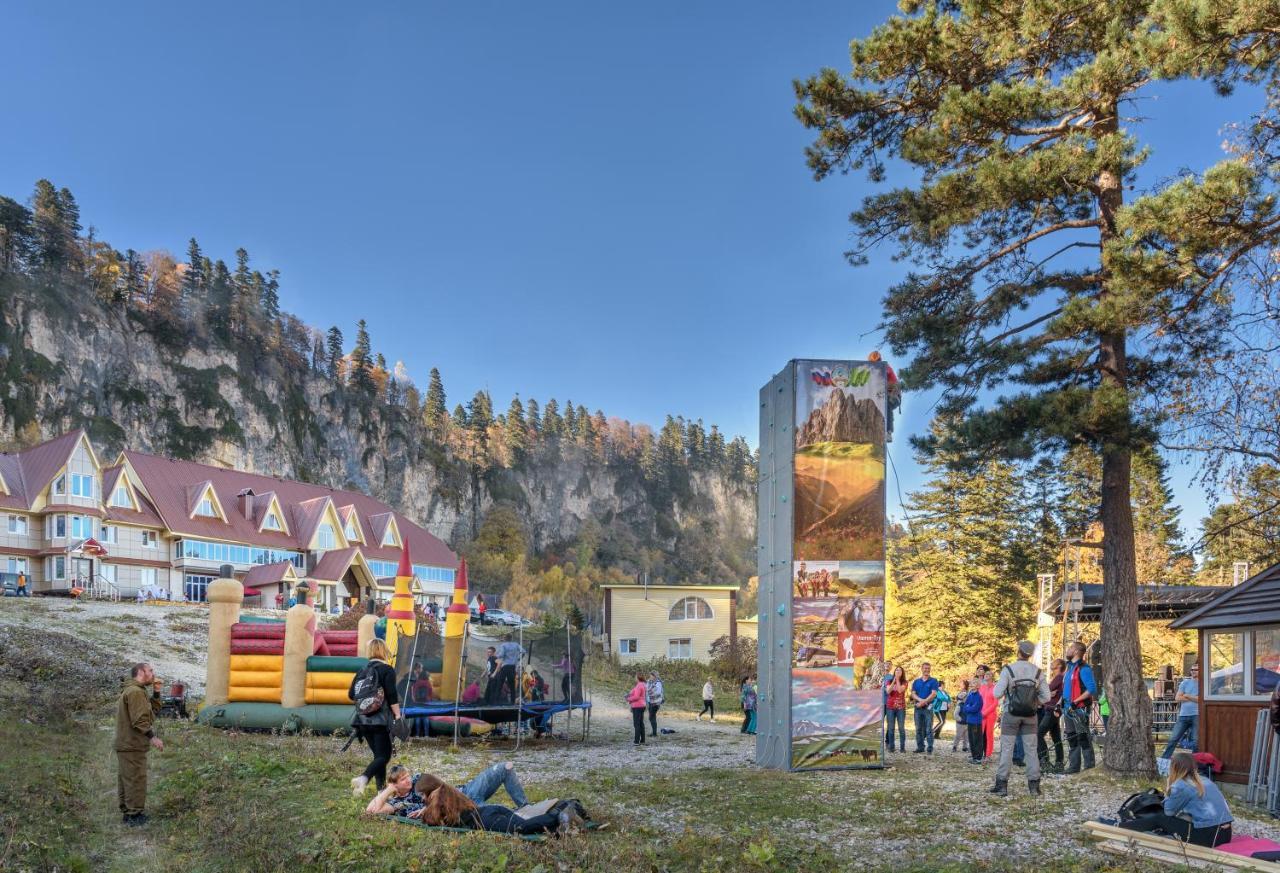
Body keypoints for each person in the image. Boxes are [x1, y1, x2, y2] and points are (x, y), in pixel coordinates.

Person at [1119, 750, 1233, 847]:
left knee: (1160, 818)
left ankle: (1120, 827)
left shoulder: (1181, 785)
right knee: (1183, 815)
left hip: (1208, 837)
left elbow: (1168, 812)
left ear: (1174, 768)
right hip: (1225, 834)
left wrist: (1169, 787)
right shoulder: (1205, 780)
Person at [411, 774, 586, 835]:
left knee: (522, 827)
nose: (423, 799)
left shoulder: (441, 797)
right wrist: (426, 808)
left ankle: (559, 815)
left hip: (486, 819)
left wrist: (425, 811)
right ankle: (567, 807)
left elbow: (432, 820)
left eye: (423, 795)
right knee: (529, 821)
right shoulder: (447, 793)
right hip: (488, 812)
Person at [990, 641, 1051, 797]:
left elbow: (996, 694)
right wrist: (1034, 703)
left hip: (1011, 714)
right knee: (1031, 750)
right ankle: (1034, 787)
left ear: (1018, 651)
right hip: (1030, 715)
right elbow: (1047, 696)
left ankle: (1002, 785)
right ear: (1030, 655)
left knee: (1007, 750)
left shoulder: (1008, 669)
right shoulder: (1038, 672)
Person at [368, 762, 530, 817]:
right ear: (395, 784)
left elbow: (444, 790)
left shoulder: (418, 779)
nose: (408, 779)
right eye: (403, 779)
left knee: (505, 767)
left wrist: (427, 807)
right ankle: (524, 815)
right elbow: (370, 811)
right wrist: (388, 791)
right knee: (504, 814)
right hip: (460, 808)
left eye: (407, 775)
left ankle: (524, 805)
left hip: (464, 792)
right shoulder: (396, 803)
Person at [349, 638, 402, 796]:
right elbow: (392, 695)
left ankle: (381, 791)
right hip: (380, 721)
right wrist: (398, 715)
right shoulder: (387, 670)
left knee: (378, 756)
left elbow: (351, 694)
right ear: (383, 650)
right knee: (384, 756)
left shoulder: (362, 670)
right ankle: (364, 778)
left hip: (362, 720)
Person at [115, 662, 164, 826]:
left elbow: (150, 714)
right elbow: (140, 721)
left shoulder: (137, 691)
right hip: (131, 744)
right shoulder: (135, 692)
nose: (153, 673)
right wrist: (153, 737)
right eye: (150, 670)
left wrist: (156, 693)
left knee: (127, 778)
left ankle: (128, 814)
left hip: (128, 744)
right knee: (135, 779)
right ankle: (134, 816)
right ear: (142, 672)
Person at [1061, 640, 1097, 774]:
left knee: (1083, 737)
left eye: (1070, 647)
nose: (1068, 650)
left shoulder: (1084, 668)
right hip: (1067, 709)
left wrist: (1076, 701)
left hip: (1079, 709)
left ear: (1076, 651)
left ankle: (1089, 767)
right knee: (1071, 737)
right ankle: (1074, 766)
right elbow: (1066, 688)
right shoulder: (1069, 668)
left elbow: (1091, 689)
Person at [1160, 663, 1200, 758]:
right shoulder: (1185, 682)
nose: (1193, 671)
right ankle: (1164, 760)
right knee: (1173, 739)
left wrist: (1186, 695)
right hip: (1183, 715)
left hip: (1197, 715)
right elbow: (1177, 698)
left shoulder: (1203, 683)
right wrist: (1193, 698)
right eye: (1192, 670)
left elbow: (1201, 700)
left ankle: (1195, 763)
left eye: (1196, 670)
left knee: (1196, 741)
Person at [1037, 658, 1066, 775]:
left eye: (1054, 662)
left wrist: (1046, 692)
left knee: (1038, 734)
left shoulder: (1059, 677)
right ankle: (1059, 764)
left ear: (1059, 666)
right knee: (1056, 738)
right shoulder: (1056, 678)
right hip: (1051, 709)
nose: (1051, 663)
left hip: (1052, 710)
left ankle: (1045, 761)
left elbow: (1044, 690)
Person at [910, 663, 940, 754]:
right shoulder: (916, 681)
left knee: (928, 728)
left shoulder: (934, 681)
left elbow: (933, 693)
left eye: (928, 668)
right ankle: (920, 747)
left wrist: (924, 702)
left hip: (928, 708)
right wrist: (920, 700)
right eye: (925, 668)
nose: (927, 670)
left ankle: (930, 748)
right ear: (921, 669)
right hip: (918, 708)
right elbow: (913, 694)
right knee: (918, 728)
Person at [961, 672, 986, 763]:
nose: (971, 685)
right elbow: (964, 707)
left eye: (974, 683)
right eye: (971, 683)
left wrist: (968, 708)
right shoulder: (970, 695)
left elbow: (975, 708)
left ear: (978, 686)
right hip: (969, 720)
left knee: (977, 739)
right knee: (971, 738)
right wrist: (968, 707)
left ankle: (978, 758)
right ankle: (973, 755)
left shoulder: (979, 697)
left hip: (976, 721)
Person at [884, 666, 908, 752]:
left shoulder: (904, 682)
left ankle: (902, 748)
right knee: (890, 728)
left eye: (900, 670)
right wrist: (894, 680)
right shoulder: (888, 681)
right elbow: (888, 691)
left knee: (901, 728)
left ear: (902, 673)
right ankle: (891, 747)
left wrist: (897, 680)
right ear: (894, 672)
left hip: (901, 708)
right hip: (890, 708)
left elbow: (900, 690)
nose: (898, 671)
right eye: (896, 670)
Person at [495, 639, 524, 704]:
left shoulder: (504, 645)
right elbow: (523, 651)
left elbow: (502, 654)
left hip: (505, 667)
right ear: (511, 638)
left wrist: (496, 656)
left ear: (505, 639)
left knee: (500, 683)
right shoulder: (516, 644)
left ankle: (496, 701)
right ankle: (512, 702)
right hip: (512, 667)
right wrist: (519, 658)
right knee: (512, 685)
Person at [978, 665, 997, 760]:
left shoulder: (995, 688)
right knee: (980, 734)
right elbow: (979, 700)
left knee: (989, 734)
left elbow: (995, 703)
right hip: (981, 714)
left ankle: (988, 754)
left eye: (988, 674)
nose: (986, 675)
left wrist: (985, 712)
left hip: (990, 715)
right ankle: (980, 753)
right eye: (985, 674)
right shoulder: (982, 687)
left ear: (992, 677)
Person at [627, 673, 648, 745]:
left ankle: (636, 741)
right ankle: (642, 740)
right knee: (641, 723)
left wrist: (628, 699)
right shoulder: (643, 684)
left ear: (638, 678)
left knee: (637, 724)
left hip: (637, 706)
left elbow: (636, 697)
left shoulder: (639, 685)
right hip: (642, 705)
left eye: (635, 677)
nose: (634, 678)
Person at [952, 679, 970, 752]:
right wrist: (959, 719)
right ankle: (955, 746)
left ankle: (965, 747)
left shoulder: (967, 693)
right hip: (960, 722)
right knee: (958, 735)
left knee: (966, 736)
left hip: (967, 721)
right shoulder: (960, 705)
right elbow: (955, 714)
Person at [646, 672, 665, 738]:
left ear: (655, 676)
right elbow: (646, 689)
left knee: (651, 717)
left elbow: (658, 692)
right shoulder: (649, 682)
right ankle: (654, 732)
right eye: (650, 676)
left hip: (656, 702)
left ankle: (654, 733)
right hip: (649, 701)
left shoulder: (658, 683)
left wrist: (649, 692)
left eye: (651, 676)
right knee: (652, 717)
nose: (650, 677)